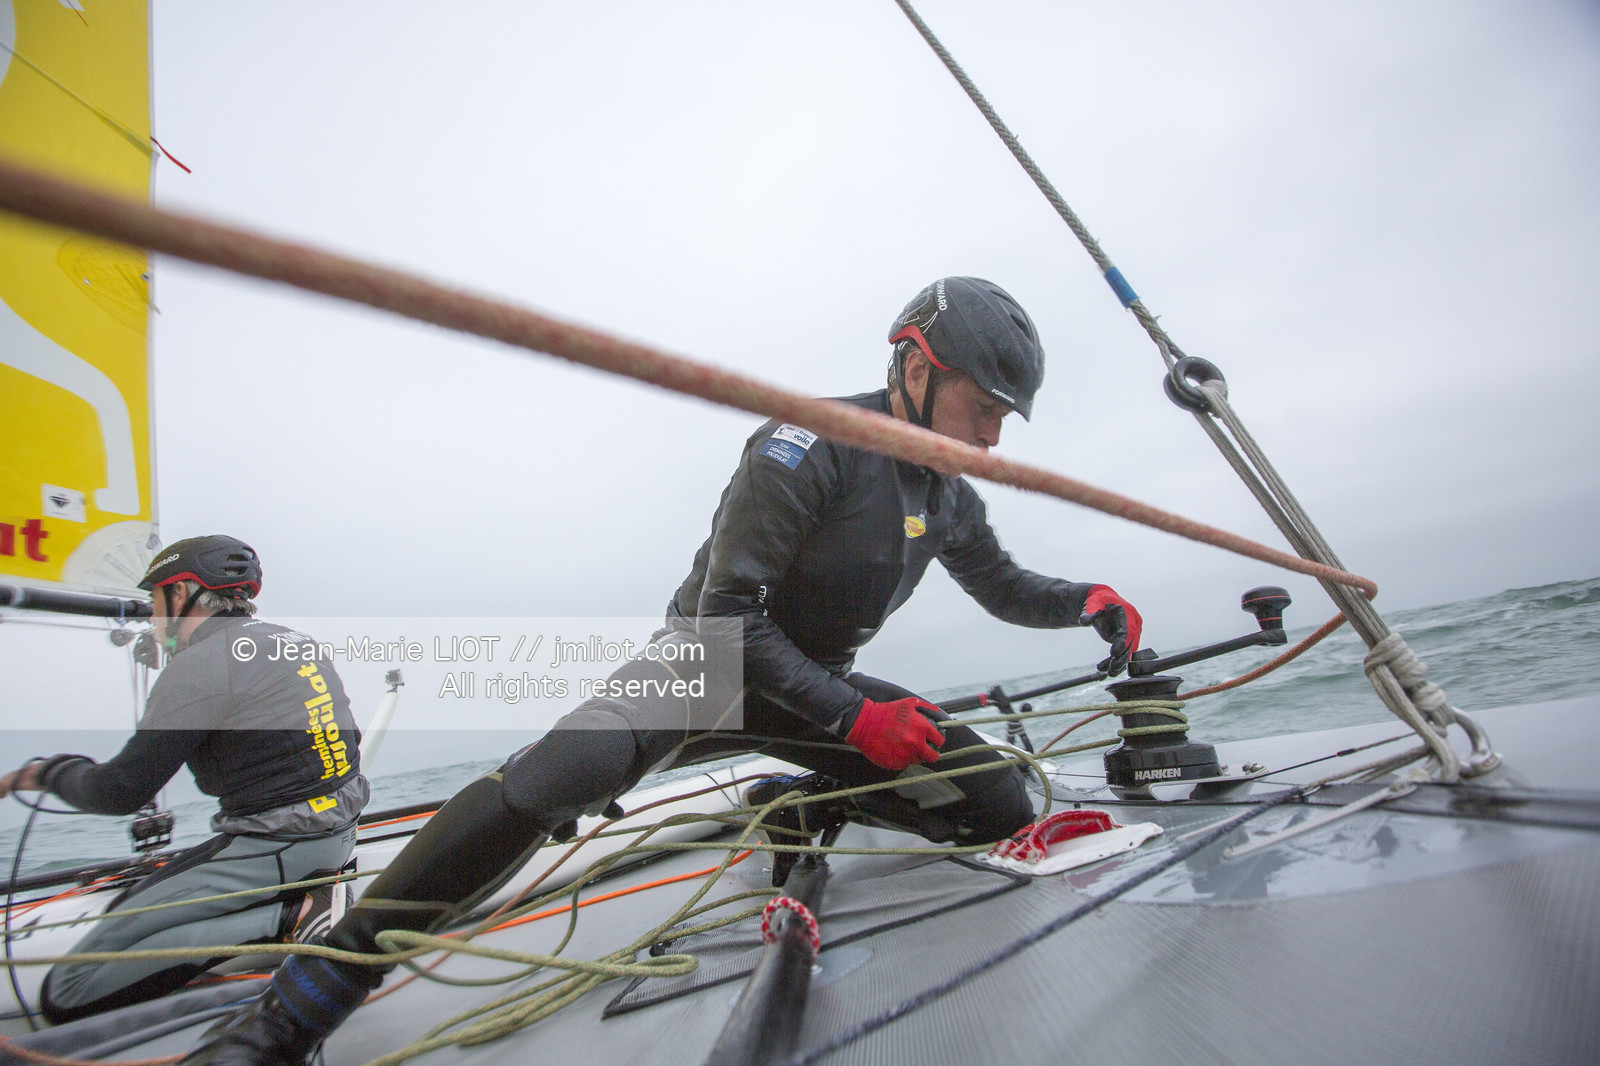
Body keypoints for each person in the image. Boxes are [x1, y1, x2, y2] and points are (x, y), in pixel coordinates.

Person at [182, 277, 1144, 1064]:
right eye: (983, 410)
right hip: (703, 667)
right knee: (546, 786)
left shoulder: (946, 495)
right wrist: (854, 723)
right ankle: (300, 1004)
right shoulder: (801, 446)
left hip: (811, 688)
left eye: (1003, 421)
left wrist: (1084, 601)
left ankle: (808, 801)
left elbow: (1003, 583)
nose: (990, 440)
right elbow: (729, 620)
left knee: (999, 805)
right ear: (916, 367)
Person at [0, 535, 369, 1024]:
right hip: (336, 835)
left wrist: (44, 773)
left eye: (154, 601)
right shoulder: (293, 643)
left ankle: (294, 917)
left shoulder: (201, 665)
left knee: (68, 991)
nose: (152, 620)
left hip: (274, 848)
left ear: (183, 592)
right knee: (134, 903)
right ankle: (306, 895)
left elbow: (120, 791)